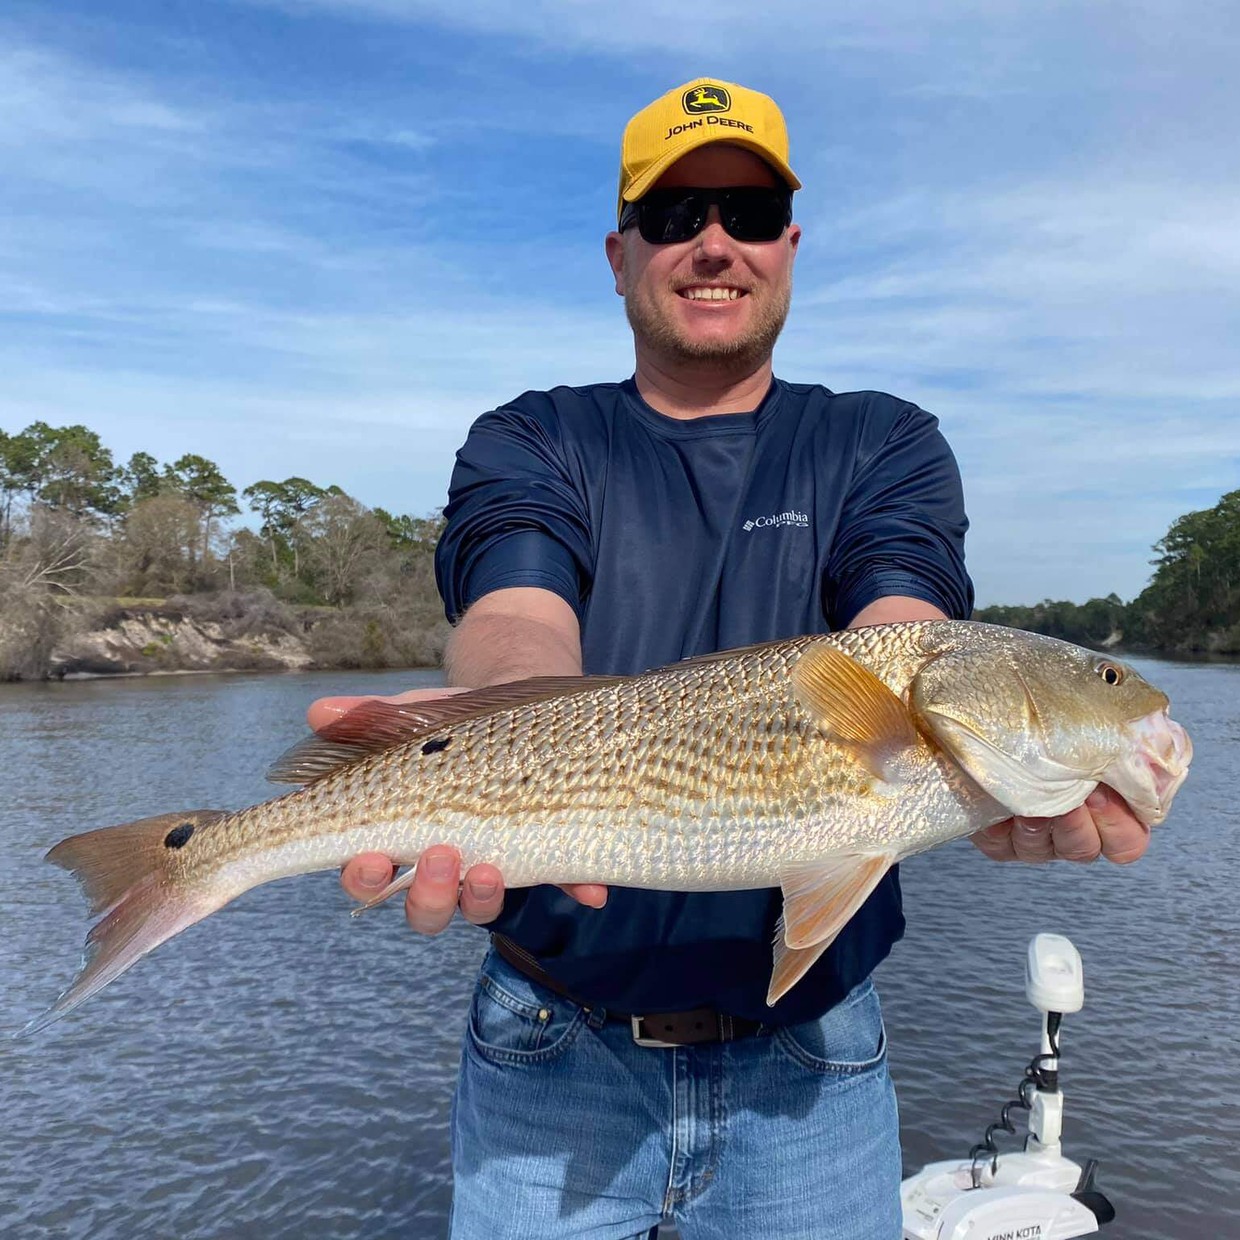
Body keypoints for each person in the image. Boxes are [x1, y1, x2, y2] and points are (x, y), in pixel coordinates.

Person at [310, 79, 1150, 1240]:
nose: (713, 244)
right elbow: (516, 601)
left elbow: (898, 624)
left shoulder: (883, 439)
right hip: (546, 1044)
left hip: (813, 1065)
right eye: (673, 214)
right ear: (618, 254)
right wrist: (489, 711)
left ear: (789, 246)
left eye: (748, 215)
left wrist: (1005, 759)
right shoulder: (533, 434)